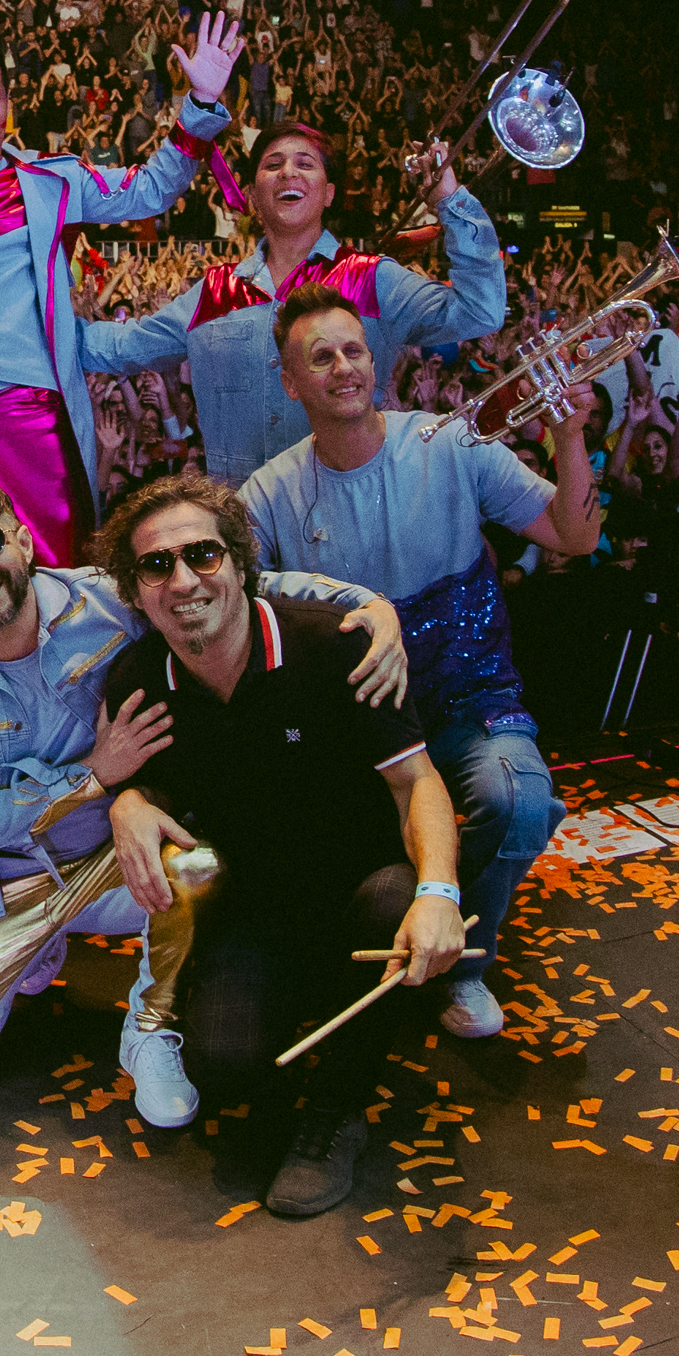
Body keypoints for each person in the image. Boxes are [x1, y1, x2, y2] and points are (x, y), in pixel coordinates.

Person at [0, 468, 406, 1125]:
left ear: (23, 540)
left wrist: (366, 603)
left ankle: (153, 1022)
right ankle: (27, 953)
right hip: (6, 875)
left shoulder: (104, 599)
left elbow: (227, 587)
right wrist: (91, 776)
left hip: (122, 852)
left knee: (201, 855)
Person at [91, 473, 465, 1219]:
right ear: (135, 589)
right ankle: (328, 1023)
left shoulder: (333, 646)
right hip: (258, 914)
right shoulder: (138, 680)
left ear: (237, 560)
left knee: (398, 898)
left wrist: (439, 893)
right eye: (156, 565)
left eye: (201, 554)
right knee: (224, 1062)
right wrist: (125, 800)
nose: (183, 579)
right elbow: (145, 782)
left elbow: (415, 782)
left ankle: (338, 1109)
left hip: (365, 887)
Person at [237, 292, 598, 1042]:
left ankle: (462, 957)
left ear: (376, 359)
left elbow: (575, 533)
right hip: (358, 722)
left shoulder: (453, 444)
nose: (344, 367)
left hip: (470, 697)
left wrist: (569, 436)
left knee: (521, 803)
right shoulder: (271, 491)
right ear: (290, 382)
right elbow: (226, 588)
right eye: (322, 356)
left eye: (354, 349)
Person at [0, 15, 248, 657]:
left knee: (56, 562)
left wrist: (200, 102)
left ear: (8, 102)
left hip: (27, 402)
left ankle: (65, 699)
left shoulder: (52, 182)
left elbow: (151, 190)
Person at [83, 122, 509, 481]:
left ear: (328, 193)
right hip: (243, 533)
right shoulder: (214, 292)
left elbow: (480, 311)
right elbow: (122, 347)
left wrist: (451, 203)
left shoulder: (371, 277)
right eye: (273, 165)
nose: (288, 172)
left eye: (305, 164)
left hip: (351, 522)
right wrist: (34, 313)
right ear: (251, 194)